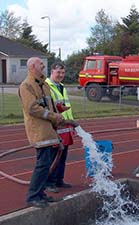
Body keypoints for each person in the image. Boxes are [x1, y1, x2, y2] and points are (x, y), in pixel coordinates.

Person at [18, 57, 65, 208]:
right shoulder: (26, 86)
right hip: (39, 130)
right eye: (40, 64)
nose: (43, 66)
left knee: (46, 164)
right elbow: (32, 108)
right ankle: (33, 196)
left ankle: (40, 193)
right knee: (43, 164)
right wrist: (53, 116)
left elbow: (49, 105)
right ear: (32, 66)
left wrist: (56, 118)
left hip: (49, 129)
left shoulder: (44, 85)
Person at [45, 62, 77, 193]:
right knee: (53, 156)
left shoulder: (62, 87)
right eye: (58, 72)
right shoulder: (47, 86)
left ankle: (59, 180)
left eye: (63, 73)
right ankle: (49, 182)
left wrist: (72, 123)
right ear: (52, 71)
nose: (61, 75)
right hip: (55, 126)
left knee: (63, 156)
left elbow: (66, 106)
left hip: (66, 125)